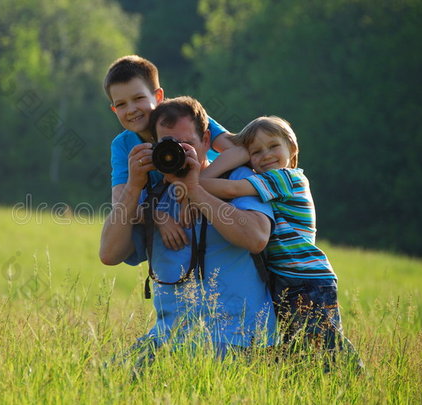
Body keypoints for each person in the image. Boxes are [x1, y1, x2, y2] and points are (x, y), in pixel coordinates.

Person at [99, 97, 276, 362]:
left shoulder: (238, 180)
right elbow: (109, 254)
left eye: (188, 145)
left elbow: (257, 238)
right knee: (107, 378)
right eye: (168, 145)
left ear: (206, 140)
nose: (177, 153)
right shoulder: (153, 195)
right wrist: (134, 187)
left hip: (239, 339)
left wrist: (196, 190)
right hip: (170, 339)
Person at [199, 116, 362, 367]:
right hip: (288, 280)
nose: (266, 155)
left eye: (273, 146)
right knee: (299, 352)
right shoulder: (268, 183)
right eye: (256, 152)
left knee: (324, 348)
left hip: (306, 279)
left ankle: (354, 380)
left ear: (292, 150)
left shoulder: (287, 178)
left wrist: (192, 184)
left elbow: (230, 189)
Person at [103, 55, 249, 251]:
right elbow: (120, 202)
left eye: (139, 98)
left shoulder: (185, 117)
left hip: (214, 194)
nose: (131, 109)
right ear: (113, 109)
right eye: (121, 104)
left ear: (158, 96)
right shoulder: (123, 145)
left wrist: (192, 188)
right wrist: (157, 216)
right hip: (168, 211)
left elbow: (240, 150)